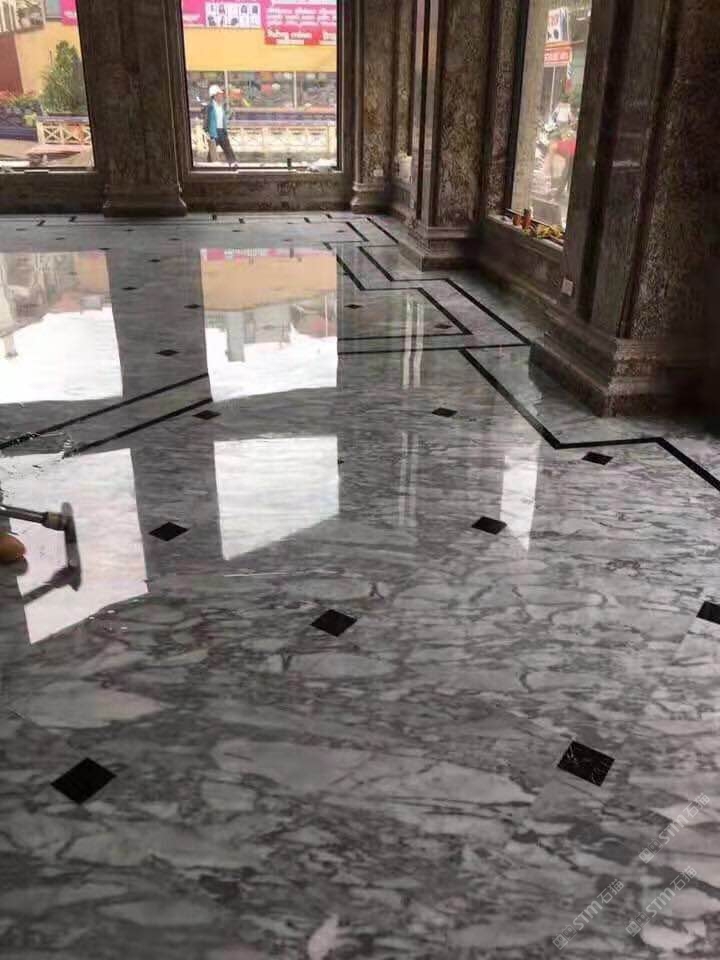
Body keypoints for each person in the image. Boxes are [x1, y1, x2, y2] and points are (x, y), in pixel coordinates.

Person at [204, 85, 238, 167]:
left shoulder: (222, 106)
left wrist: (229, 115)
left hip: (222, 130)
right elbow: (206, 120)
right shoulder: (210, 107)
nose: (221, 96)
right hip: (214, 131)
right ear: (215, 96)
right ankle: (209, 164)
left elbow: (223, 118)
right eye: (219, 94)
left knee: (227, 147)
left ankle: (233, 162)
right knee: (212, 150)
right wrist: (207, 132)